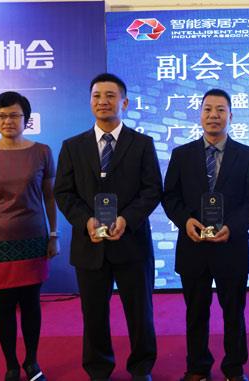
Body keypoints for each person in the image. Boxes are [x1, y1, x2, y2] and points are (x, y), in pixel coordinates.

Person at [53, 73, 162, 381]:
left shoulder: (142, 144)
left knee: (139, 313)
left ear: (124, 103)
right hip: (90, 244)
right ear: (90, 102)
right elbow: (63, 192)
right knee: (94, 314)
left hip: (132, 243)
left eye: (110, 95)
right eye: (97, 95)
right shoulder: (72, 146)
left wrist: (127, 219)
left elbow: (152, 189)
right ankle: (98, 368)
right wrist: (85, 220)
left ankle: (141, 368)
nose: (103, 101)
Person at [163, 88, 249, 381]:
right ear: (200, 115)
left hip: (231, 246)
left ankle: (234, 368)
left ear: (231, 116)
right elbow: (170, 197)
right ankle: (197, 367)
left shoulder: (248, 156)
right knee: (196, 312)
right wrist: (186, 222)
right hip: (193, 246)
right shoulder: (181, 155)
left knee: (234, 312)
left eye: (220, 110)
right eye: (208, 109)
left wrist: (232, 227)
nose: (213, 115)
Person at [0, 91, 59, 381]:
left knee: (31, 304)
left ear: (26, 119)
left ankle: (32, 362)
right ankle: (11, 365)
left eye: (14, 115)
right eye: (2, 116)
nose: (8, 121)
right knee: (4, 306)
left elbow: (50, 198)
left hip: (33, 240)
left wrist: (53, 234)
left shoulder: (42, 152)